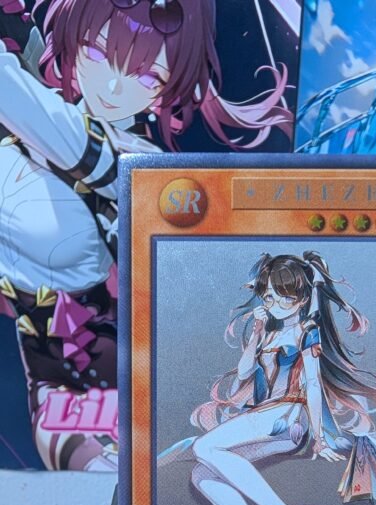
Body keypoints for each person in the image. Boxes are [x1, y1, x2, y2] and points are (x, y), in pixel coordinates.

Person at [0, 0, 291, 470]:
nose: (114, 86)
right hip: (62, 385)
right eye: (98, 54)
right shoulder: (21, 151)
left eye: (145, 74)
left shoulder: (138, 160)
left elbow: (61, 131)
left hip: (147, 382)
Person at [159, 251, 376, 505]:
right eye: (269, 297)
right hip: (269, 416)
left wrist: (320, 438)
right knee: (202, 474)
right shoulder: (269, 333)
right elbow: (244, 372)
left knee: (204, 446)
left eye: (284, 297)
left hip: (287, 415)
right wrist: (256, 333)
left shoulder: (306, 332)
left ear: (302, 298)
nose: (275, 305)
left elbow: (313, 383)